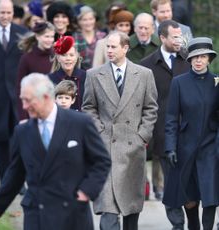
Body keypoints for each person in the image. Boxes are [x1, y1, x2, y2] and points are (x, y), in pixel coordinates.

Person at [0, 73, 111, 230]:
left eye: (28, 100)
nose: (24, 106)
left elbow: (102, 161)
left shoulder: (80, 123)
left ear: (46, 97)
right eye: (22, 100)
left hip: (73, 213)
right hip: (37, 215)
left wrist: (86, 192)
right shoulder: (22, 131)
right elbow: (15, 175)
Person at [82, 31, 158, 230]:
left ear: (125, 48)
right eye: (107, 46)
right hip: (105, 147)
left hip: (133, 148)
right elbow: (88, 107)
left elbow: (151, 108)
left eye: (113, 46)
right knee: (108, 208)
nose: (109, 50)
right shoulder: (94, 74)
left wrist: (142, 135)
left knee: (131, 208)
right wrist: (99, 132)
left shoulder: (143, 74)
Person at [163, 37, 219, 230]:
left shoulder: (217, 82)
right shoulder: (179, 83)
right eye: (195, 57)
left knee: (210, 197)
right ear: (189, 60)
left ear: (209, 59)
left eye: (203, 56)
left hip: (211, 147)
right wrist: (170, 147)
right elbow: (171, 118)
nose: (198, 60)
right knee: (190, 197)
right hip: (186, 147)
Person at [140, 20, 191, 229]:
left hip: (190, 133)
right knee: (170, 184)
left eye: (181, 36)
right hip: (162, 135)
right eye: (175, 37)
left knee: (190, 182)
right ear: (162, 38)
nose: (179, 41)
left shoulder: (190, 60)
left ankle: (194, 222)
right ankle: (177, 224)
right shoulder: (146, 65)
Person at [0, 0, 27, 181]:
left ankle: (18, 181)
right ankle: (6, 181)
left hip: (19, 97)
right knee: (0, 141)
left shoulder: (23, 34)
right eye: (2, 12)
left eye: (8, 13)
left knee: (20, 140)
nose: (5, 16)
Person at [17, 21, 55, 120]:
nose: (50, 40)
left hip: (54, 106)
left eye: (52, 37)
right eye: (46, 36)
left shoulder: (56, 56)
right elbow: (19, 88)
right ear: (37, 37)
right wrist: (23, 117)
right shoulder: (27, 58)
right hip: (34, 108)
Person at [49, 35, 86, 111]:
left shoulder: (87, 77)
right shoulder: (49, 80)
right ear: (58, 58)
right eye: (64, 55)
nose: (68, 58)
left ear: (76, 57)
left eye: (71, 55)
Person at [74, 5, 106, 70]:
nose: (88, 22)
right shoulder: (74, 38)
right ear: (79, 21)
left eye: (91, 19)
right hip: (81, 76)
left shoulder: (103, 36)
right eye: (84, 20)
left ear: (95, 20)